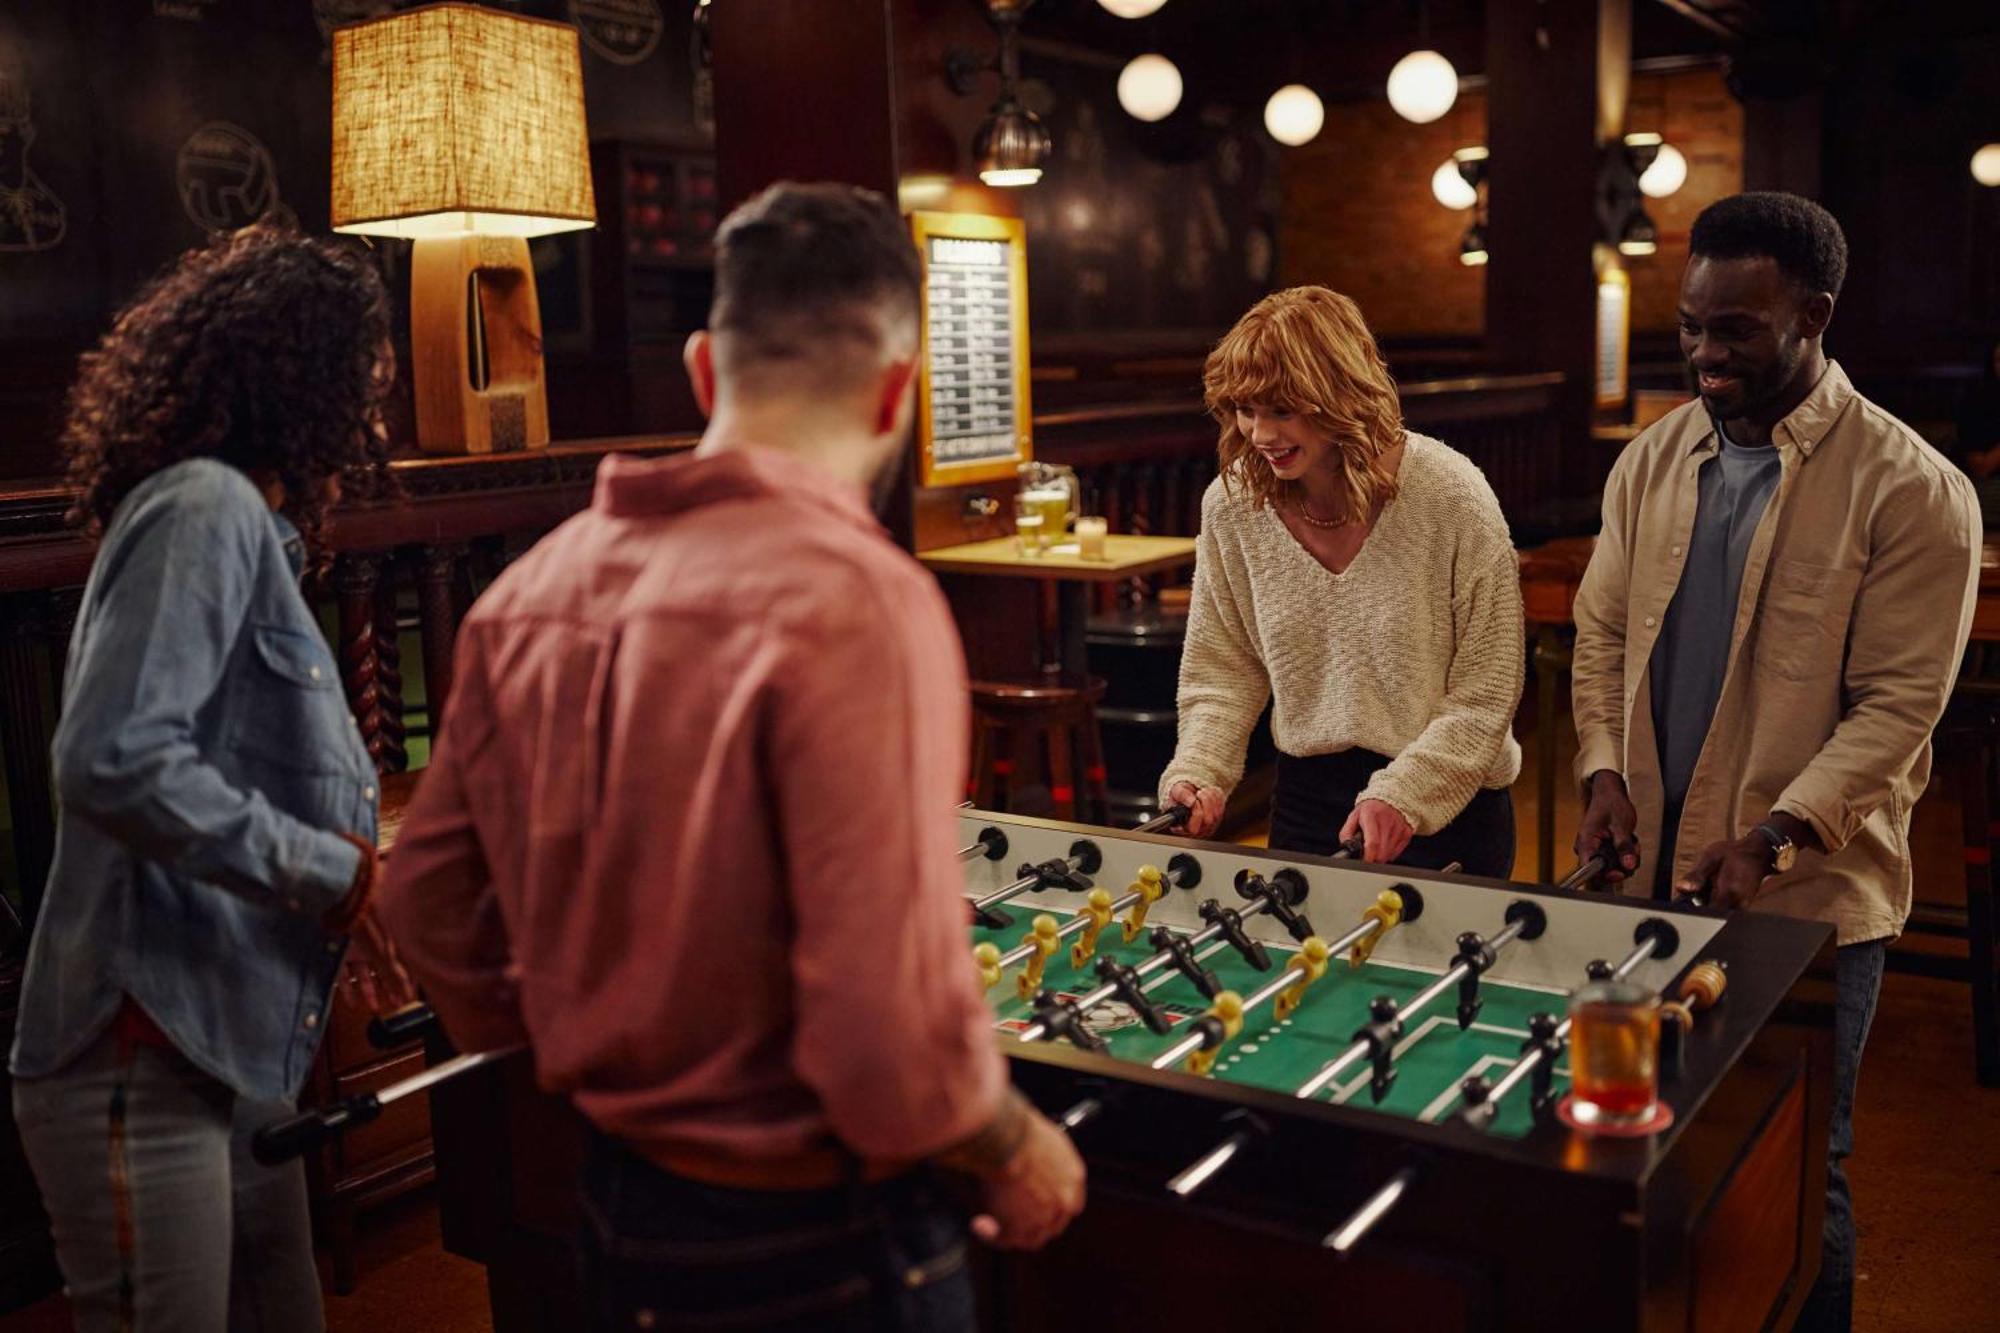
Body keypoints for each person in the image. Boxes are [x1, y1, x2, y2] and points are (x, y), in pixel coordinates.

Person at [375, 182, 1085, 1332]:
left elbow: (428, 902)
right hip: (814, 1244)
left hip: (607, 1198)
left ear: (704, 369)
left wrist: (588, 1039)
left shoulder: (528, 593)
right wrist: (1014, 1144)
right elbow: (881, 1029)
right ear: (898, 390)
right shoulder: (859, 601)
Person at [1569, 192, 1980, 1333]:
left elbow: (1898, 708)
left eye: (1734, 330)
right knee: (1636, 1151)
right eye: (1690, 326)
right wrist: (1603, 771)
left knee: (1797, 1168)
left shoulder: (1911, 489)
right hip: (1646, 871)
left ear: (1814, 315)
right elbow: (1599, 632)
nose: (1703, 353)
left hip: (1799, 895)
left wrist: (1771, 835)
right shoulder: (1649, 461)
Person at [8, 223, 404, 1332]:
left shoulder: (248, 527)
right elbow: (112, 757)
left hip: (217, 1046)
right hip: (138, 1049)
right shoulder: (203, 505)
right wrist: (325, 871)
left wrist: (341, 896)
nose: (373, 411)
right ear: (302, 373)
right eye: (363, 377)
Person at [1157, 285, 1525, 876]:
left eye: (1283, 411)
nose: (1261, 435)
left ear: (1339, 397)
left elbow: (1486, 694)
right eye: (1246, 410)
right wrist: (1200, 768)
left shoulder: (1453, 496)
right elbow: (1223, 670)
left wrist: (1404, 793)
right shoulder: (1232, 506)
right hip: (1307, 802)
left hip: (1449, 801)